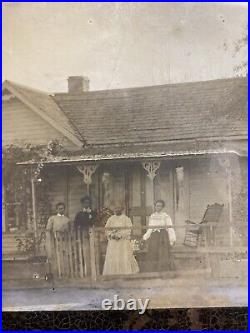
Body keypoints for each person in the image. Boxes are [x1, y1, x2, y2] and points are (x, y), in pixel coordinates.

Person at [103, 205, 139, 276]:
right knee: (114, 256)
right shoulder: (110, 219)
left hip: (123, 242)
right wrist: (112, 235)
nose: (117, 210)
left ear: (122, 209)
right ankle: (113, 274)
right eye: (115, 208)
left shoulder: (126, 219)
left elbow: (129, 230)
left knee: (124, 256)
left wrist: (120, 235)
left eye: (118, 208)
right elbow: (106, 230)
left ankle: (125, 273)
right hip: (113, 242)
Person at [142, 199, 176, 272]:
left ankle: (163, 271)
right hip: (154, 236)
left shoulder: (166, 216)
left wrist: (172, 240)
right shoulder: (152, 216)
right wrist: (145, 237)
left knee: (162, 253)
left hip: (163, 236)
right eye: (157, 206)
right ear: (155, 206)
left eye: (160, 206)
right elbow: (150, 228)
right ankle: (153, 271)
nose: (158, 207)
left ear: (162, 207)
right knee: (153, 252)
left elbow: (170, 228)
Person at [74, 196, 97, 276]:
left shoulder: (93, 213)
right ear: (82, 204)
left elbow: (96, 223)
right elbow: (76, 226)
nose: (86, 204)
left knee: (93, 253)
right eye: (85, 203)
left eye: (88, 202)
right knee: (84, 254)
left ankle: (94, 272)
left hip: (93, 236)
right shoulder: (79, 214)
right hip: (83, 237)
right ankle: (85, 272)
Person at [45, 202, 70, 275]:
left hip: (64, 241)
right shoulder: (52, 218)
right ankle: (55, 272)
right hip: (54, 241)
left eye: (62, 208)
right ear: (57, 210)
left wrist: (65, 231)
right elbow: (48, 230)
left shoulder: (67, 219)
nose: (61, 210)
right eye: (59, 209)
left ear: (64, 209)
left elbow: (69, 230)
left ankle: (64, 272)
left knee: (64, 256)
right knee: (55, 256)